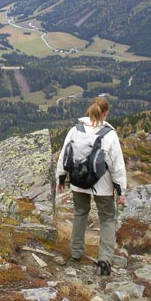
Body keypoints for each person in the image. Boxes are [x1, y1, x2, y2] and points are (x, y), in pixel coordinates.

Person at [56, 96, 127, 276]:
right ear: (106, 113)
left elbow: (64, 155)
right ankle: (104, 260)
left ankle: (76, 252)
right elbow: (116, 164)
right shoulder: (109, 134)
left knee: (80, 213)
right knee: (108, 218)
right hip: (102, 185)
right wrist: (121, 190)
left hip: (78, 182)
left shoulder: (75, 130)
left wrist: (61, 178)